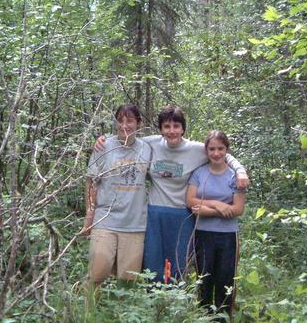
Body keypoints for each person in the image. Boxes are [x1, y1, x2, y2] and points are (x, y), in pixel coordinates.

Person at [96, 105, 249, 282]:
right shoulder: (150, 144)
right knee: (153, 262)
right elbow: (125, 138)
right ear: (160, 129)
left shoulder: (196, 150)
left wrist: (240, 170)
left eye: (176, 126)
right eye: (167, 127)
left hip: (182, 215)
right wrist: (104, 139)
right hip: (155, 214)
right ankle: (154, 302)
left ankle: (173, 303)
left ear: (183, 128)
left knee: (178, 262)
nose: (172, 131)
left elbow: (222, 152)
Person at [81, 104, 152, 285]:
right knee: (97, 274)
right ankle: (89, 312)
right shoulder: (104, 146)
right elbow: (91, 182)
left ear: (138, 123)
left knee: (128, 281)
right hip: (105, 220)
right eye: (120, 121)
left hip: (135, 224)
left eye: (129, 121)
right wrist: (89, 215)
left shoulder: (147, 148)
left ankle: (121, 314)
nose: (124, 126)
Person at [186, 130, 245, 317]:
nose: (216, 153)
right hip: (203, 234)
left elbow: (238, 209)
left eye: (220, 148)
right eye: (212, 149)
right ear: (206, 150)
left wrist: (205, 210)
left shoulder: (235, 176)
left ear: (226, 150)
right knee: (204, 280)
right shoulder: (199, 173)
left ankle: (223, 317)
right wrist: (218, 205)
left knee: (225, 280)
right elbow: (190, 200)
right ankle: (204, 317)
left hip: (228, 236)